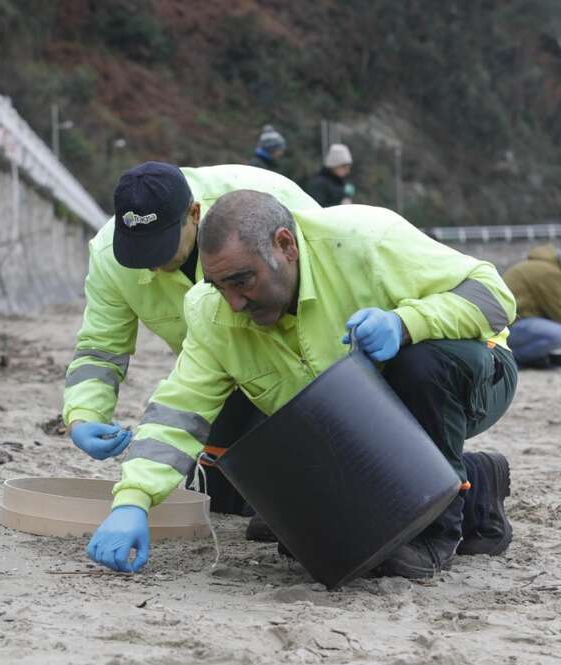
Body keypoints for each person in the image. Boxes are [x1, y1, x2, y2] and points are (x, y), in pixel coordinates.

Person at [85, 191, 518, 580]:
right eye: (219, 287)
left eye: (242, 281)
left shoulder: (364, 241)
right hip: (349, 418)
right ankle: (478, 480)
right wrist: (133, 501)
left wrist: (406, 323)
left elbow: (495, 296)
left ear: (285, 246)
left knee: (423, 362)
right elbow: (181, 409)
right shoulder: (211, 311)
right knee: (299, 537)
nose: (234, 302)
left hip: (466, 377)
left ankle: (437, 528)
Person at [64, 162, 319, 539]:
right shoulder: (108, 258)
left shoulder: (260, 208)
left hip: (298, 352)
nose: (152, 262)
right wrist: (84, 414)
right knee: (218, 500)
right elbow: (101, 348)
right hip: (215, 369)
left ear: (193, 214)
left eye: (162, 249)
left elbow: (322, 291)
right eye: (139, 251)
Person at [305, 143, 354, 207]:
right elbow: (317, 208)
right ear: (335, 165)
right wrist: (340, 206)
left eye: (348, 167)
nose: (347, 171)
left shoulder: (342, 182)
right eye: (344, 167)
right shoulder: (318, 183)